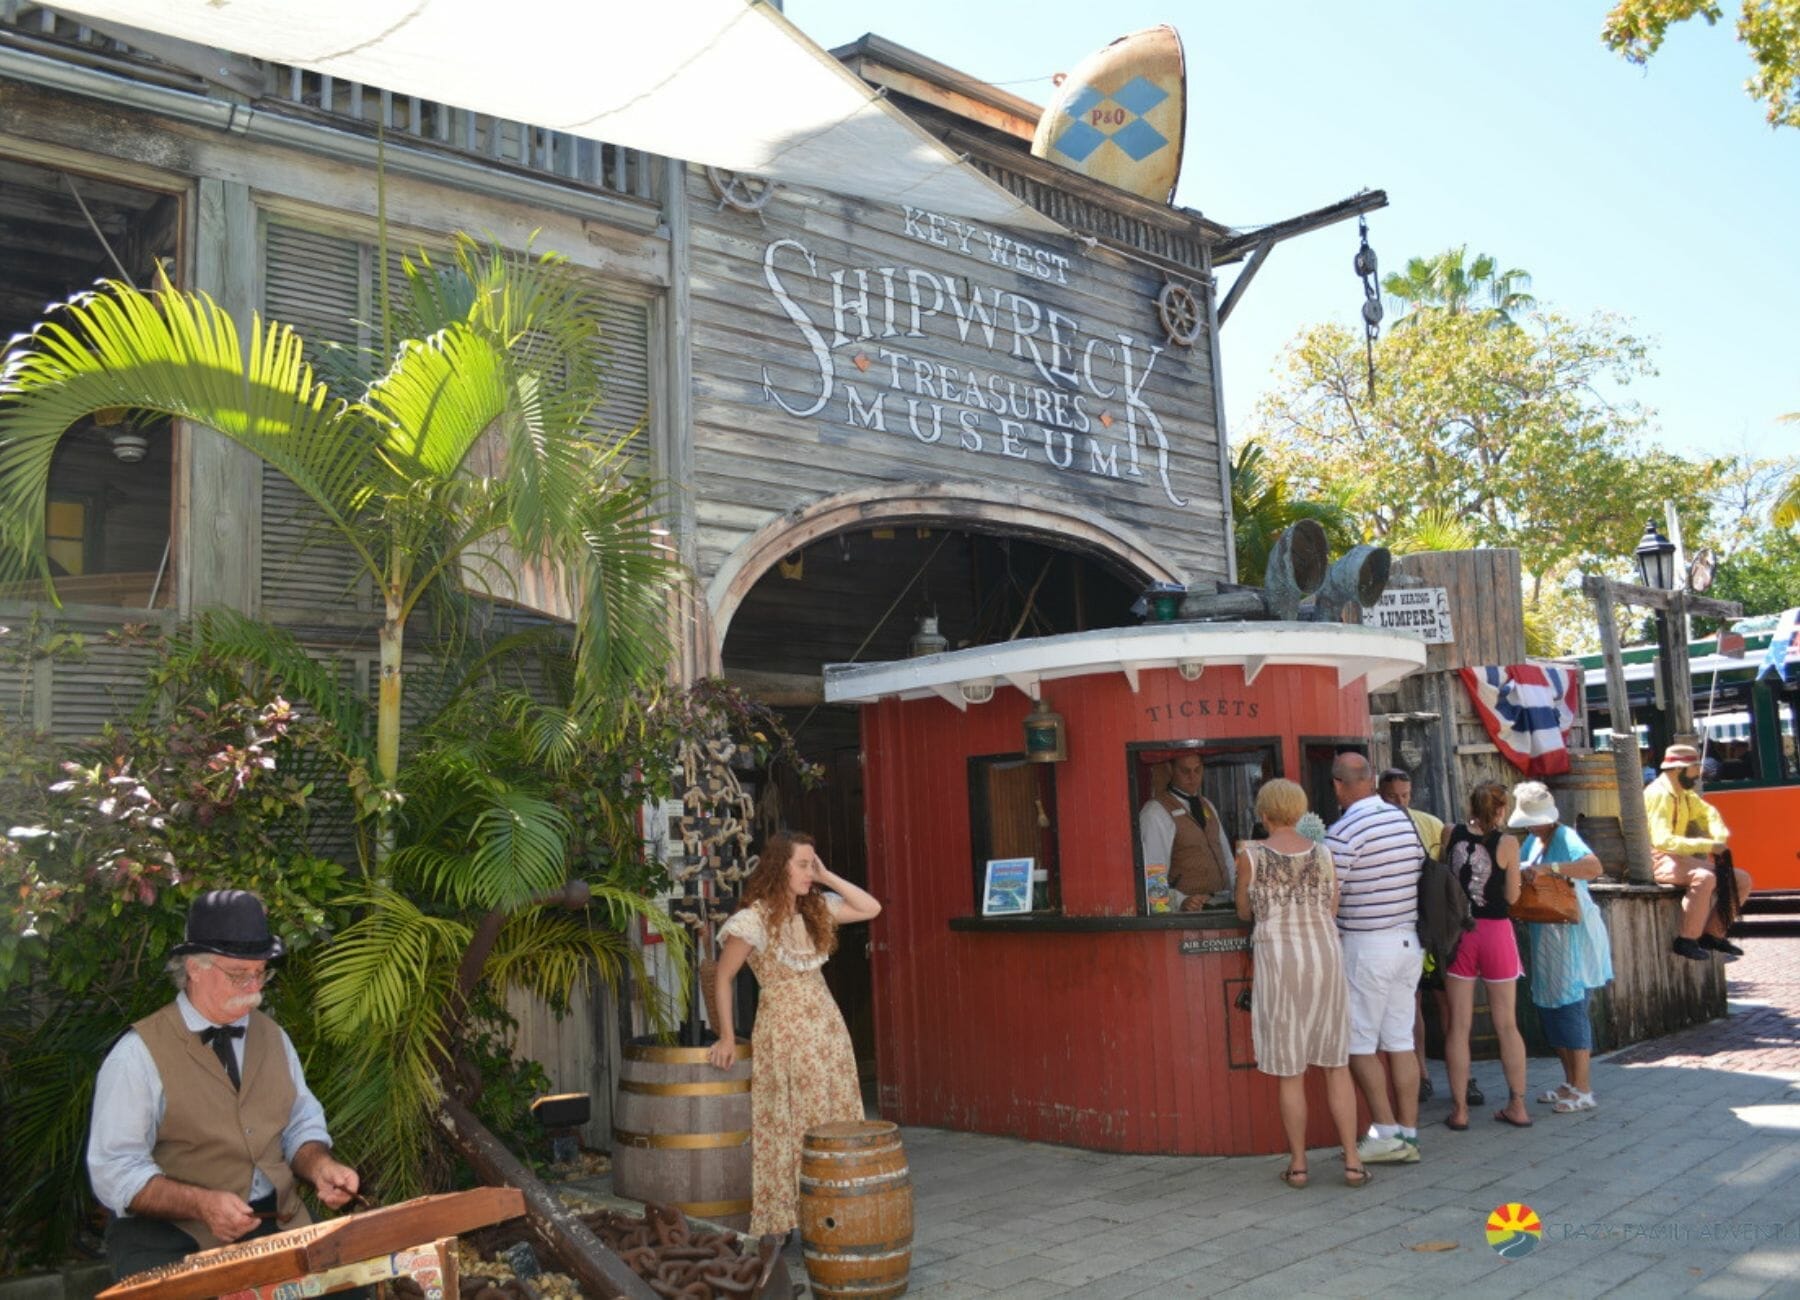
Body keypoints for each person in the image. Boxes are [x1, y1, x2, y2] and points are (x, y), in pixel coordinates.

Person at [87, 890, 361, 1280]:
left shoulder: (274, 1037)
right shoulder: (137, 1054)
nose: (254, 986)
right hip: (170, 1235)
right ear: (195, 968)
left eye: (261, 971)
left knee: (351, 1289)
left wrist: (320, 1167)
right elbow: (115, 1170)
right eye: (239, 974)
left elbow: (300, 1122)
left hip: (276, 1223)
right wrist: (201, 1204)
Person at [708, 832, 882, 1238]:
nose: (809, 873)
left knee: (834, 1112)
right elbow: (723, 977)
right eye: (803, 865)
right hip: (783, 1030)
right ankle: (786, 1218)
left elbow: (870, 908)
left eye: (812, 864)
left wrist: (828, 875)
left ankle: (835, 1210)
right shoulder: (751, 920)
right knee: (790, 1121)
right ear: (778, 867)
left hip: (826, 1028)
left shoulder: (817, 909)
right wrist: (728, 1036)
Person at [1235, 779, 1368, 1189]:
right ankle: (1351, 1161)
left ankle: (1298, 1166)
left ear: (1264, 813)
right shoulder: (1324, 853)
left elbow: (1243, 911)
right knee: (1336, 1065)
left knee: (1290, 1071)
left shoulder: (1251, 854)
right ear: (1299, 811)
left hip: (1280, 963)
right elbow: (1332, 907)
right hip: (1324, 958)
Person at [1324, 753, 1425, 1166]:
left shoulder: (1343, 832)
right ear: (1370, 779)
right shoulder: (1402, 819)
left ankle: (1384, 1132)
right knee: (1401, 1041)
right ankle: (1409, 1133)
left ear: (1337, 785)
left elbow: (1330, 896)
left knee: (1359, 1045)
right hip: (1407, 941)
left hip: (1366, 946)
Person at [1377, 769, 1481, 1109]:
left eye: (1406, 795)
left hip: (1436, 926)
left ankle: (1463, 1076)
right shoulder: (1374, 826)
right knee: (1411, 1003)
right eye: (1394, 796)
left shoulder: (1430, 823)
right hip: (1402, 924)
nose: (1401, 802)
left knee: (1446, 1000)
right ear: (1381, 795)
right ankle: (1421, 1073)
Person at [1509, 781, 1613, 1114]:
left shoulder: (1565, 837)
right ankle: (1569, 1081)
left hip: (1572, 933)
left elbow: (1593, 867)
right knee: (1552, 1009)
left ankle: (1583, 1087)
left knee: (1571, 1008)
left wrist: (1551, 869)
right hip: (1547, 934)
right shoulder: (1532, 841)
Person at [1441, 782, 1532, 1130]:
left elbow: (1445, 878)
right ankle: (1518, 1106)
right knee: (1506, 1024)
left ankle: (1460, 1109)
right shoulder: (1508, 843)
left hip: (1460, 933)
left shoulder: (1452, 833)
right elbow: (1511, 897)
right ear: (1499, 810)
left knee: (1458, 1026)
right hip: (1496, 933)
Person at [1646, 743, 1753, 961]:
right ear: (1679, 769)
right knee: (1703, 878)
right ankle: (1686, 940)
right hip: (1655, 858)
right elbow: (1661, 840)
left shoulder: (1684, 793)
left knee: (1742, 879)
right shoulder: (1658, 794)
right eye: (1695, 768)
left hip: (1678, 858)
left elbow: (1709, 814)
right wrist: (1707, 846)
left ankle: (1713, 936)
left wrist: (1718, 838)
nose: (1699, 773)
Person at [1138, 750, 1235, 911]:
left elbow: (1227, 859)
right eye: (1185, 771)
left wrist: (1238, 893)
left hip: (1223, 908)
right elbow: (1153, 875)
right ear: (1170, 769)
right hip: (1185, 918)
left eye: (1197, 770)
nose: (1193, 777)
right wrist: (1180, 901)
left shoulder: (1208, 805)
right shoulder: (1155, 812)